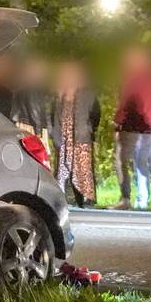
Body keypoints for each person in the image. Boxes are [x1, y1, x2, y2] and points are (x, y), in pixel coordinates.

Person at [113, 46, 151, 210]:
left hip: (135, 129)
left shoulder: (131, 82)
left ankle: (133, 199)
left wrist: (117, 125)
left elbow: (124, 106)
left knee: (124, 161)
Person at [51, 61, 101, 208]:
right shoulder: (60, 95)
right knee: (63, 168)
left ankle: (86, 198)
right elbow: (53, 116)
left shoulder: (87, 93)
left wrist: (90, 129)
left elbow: (96, 113)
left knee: (83, 168)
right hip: (64, 138)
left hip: (80, 137)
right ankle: (61, 197)